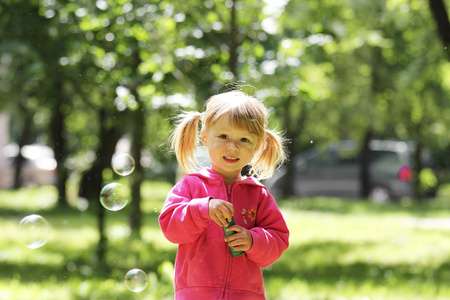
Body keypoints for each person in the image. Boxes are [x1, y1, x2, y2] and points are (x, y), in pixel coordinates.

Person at [158, 90, 290, 300]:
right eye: (223, 136)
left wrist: (253, 240)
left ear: (256, 146)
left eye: (244, 139)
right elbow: (171, 228)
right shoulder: (191, 186)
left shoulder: (258, 194)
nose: (233, 146)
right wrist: (202, 209)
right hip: (197, 294)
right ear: (205, 138)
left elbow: (278, 239)